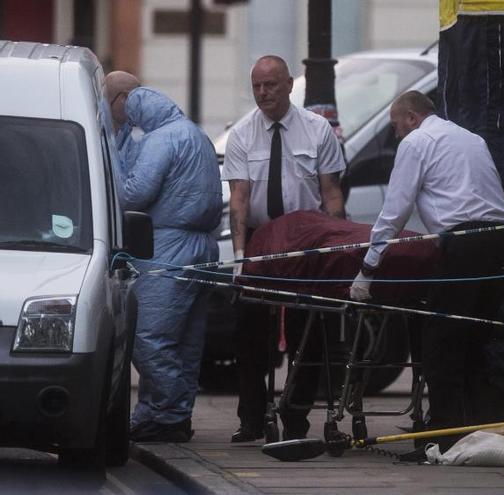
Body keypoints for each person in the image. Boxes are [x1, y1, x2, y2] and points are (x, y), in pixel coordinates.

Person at [349, 91, 504, 452]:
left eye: (396, 126)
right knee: (477, 341)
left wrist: (368, 269)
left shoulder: (416, 142)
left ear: (412, 118)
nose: (397, 135)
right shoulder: (471, 138)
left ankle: (442, 439)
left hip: (466, 245)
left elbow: (395, 211)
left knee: (440, 343)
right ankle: (481, 431)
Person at [222, 55, 346, 443]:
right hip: (260, 238)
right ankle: (252, 418)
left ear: (290, 84)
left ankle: (295, 418)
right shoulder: (243, 133)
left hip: (306, 239)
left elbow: (331, 195)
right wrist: (241, 260)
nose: (263, 93)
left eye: (271, 85)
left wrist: (335, 250)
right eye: (257, 86)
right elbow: (239, 200)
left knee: (305, 333)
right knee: (250, 333)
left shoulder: (317, 130)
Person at [115, 86, 223, 442]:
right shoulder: (198, 135)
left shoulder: (160, 140)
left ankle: (167, 412)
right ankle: (165, 414)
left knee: (148, 336)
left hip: (167, 247)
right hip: (204, 249)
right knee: (186, 341)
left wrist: (116, 169)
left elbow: (135, 194)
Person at [104, 71, 142, 170]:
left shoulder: (131, 134)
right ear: (123, 98)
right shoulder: (91, 135)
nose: (139, 105)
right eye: (136, 99)